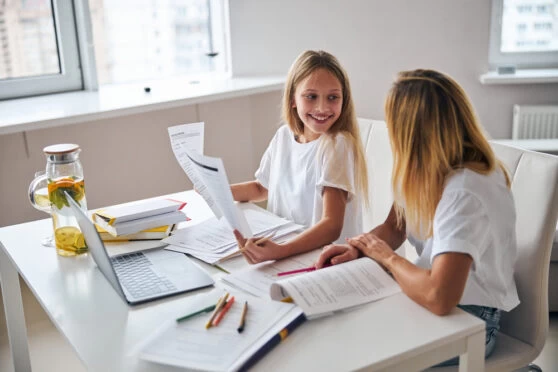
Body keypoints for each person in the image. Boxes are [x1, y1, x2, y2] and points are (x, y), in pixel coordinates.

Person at [316, 69, 519, 361]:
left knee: (354, 348)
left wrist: (386, 257)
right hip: (432, 295)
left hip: (472, 318)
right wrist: (357, 247)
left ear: (412, 133)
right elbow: (394, 227)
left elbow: (440, 297)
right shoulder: (424, 168)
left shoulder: (465, 190)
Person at [231, 50, 368, 264]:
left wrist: (280, 251)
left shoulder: (337, 145)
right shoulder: (284, 136)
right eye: (311, 97)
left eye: (332, 97)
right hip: (289, 254)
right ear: (293, 99)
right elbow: (261, 188)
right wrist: (215, 190)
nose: (322, 107)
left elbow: (332, 225)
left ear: (344, 100)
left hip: (323, 261)